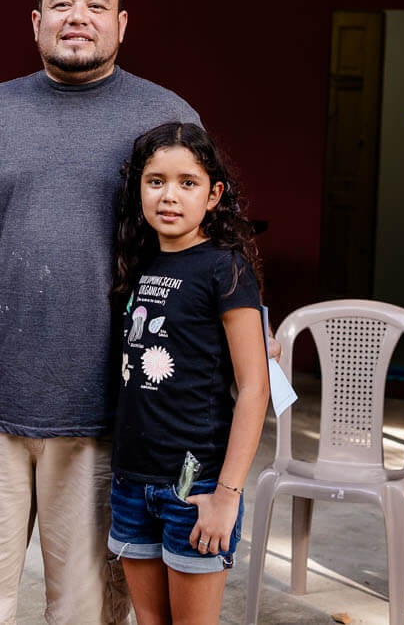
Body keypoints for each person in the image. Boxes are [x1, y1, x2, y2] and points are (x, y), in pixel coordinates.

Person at [0, 0, 199, 625]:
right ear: (36, 22)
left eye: (95, 6)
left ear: (121, 25)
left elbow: (201, 248)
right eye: (62, 4)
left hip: (108, 413)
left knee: (87, 610)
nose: (77, 18)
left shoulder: (164, 119)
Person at [109, 122, 270, 625]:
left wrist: (226, 496)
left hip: (196, 489)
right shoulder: (139, 264)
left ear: (214, 194)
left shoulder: (226, 268)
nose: (169, 196)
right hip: (132, 482)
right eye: (155, 181)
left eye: (188, 182)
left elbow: (255, 388)